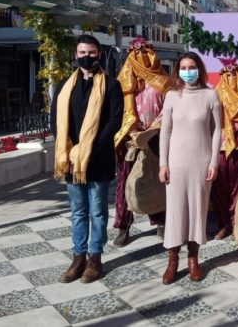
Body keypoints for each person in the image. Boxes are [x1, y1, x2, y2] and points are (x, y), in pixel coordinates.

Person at [51, 34, 124, 284]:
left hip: (99, 158)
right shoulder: (63, 87)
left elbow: (115, 121)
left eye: (91, 52)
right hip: (72, 160)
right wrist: (72, 149)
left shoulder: (111, 85)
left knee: (98, 210)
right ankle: (78, 257)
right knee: (78, 211)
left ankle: (95, 257)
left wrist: (91, 147)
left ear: (99, 54)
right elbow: (56, 123)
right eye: (82, 52)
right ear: (75, 55)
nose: (87, 57)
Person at [159, 52, 222, 284]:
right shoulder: (172, 96)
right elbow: (165, 131)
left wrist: (214, 161)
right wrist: (162, 163)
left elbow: (217, 130)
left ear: (200, 69)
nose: (188, 71)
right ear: (178, 71)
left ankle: (193, 259)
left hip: (201, 162)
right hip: (175, 163)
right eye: (183, 67)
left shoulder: (211, 95)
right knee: (175, 211)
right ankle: (173, 260)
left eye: (192, 66)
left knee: (198, 210)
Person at [113, 38, 171, 247]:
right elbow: (116, 111)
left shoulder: (165, 82)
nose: (142, 58)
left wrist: (153, 129)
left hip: (157, 138)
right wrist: (133, 131)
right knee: (126, 183)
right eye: (136, 55)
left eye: (146, 53)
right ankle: (123, 226)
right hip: (130, 140)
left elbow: (169, 110)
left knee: (159, 181)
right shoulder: (123, 83)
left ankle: (161, 221)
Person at [211, 57, 238, 242]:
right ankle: (223, 222)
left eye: (234, 74)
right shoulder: (214, 95)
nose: (230, 77)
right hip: (219, 148)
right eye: (227, 74)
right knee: (219, 187)